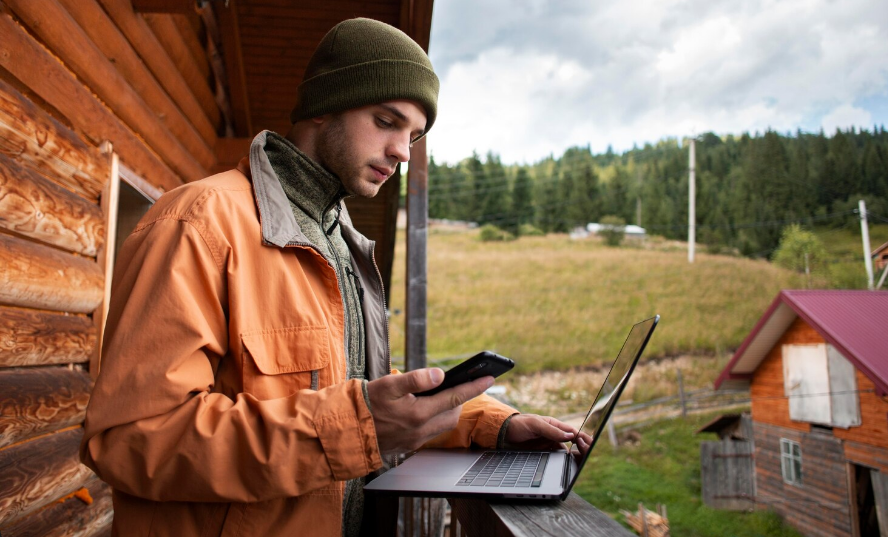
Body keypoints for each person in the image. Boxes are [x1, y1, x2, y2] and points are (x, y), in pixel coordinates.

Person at [80, 18, 577, 536]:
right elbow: (130, 439)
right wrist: (356, 426)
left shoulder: (344, 245)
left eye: (413, 135)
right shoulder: (197, 222)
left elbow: (352, 397)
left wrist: (491, 424)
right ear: (324, 103)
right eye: (387, 121)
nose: (404, 151)